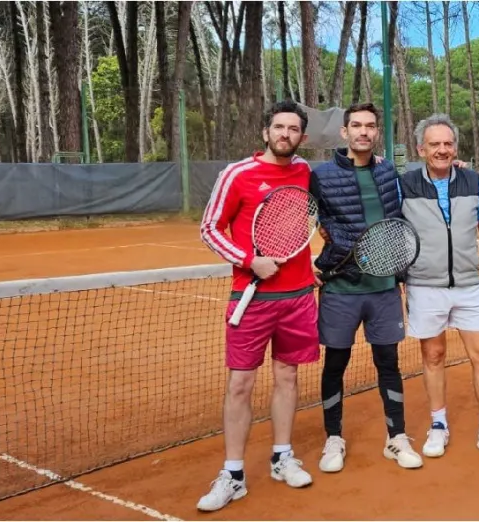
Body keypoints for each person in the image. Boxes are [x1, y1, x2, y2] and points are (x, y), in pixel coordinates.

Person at [196, 100, 318, 512]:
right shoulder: (237, 174)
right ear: (266, 132)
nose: (285, 134)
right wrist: (250, 261)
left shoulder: (305, 172)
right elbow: (209, 229)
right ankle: (233, 474)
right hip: (251, 298)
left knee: (287, 377)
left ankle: (282, 456)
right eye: (279, 127)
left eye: (293, 129)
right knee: (240, 384)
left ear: (301, 137)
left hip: (299, 296)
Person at [399, 114, 479, 461]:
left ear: (456, 147)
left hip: (470, 284)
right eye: (435, 144)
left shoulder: (472, 179)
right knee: (433, 356)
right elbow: (395, 232)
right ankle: (438, 426)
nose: (442, 150)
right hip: (424, 285)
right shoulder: (404, 184)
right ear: (421, 149)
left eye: (448, 144)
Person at [310, 102, 423, 472]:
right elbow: (303, 216)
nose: (363, 131)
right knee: (335, 364)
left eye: (370, 126)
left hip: (385, 288)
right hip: (342, 289)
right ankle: (333, 439)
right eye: (356, 125)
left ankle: (397, 437)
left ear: (377, 133)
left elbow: (416, 194)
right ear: (344, 132)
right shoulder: (322, 175)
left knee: (388, 362)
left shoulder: (389, 171)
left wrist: (457, 167)